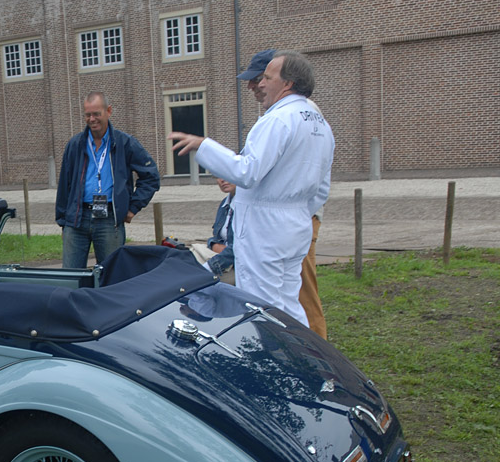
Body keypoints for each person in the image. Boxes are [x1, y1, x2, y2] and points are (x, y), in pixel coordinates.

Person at [169, 51, 334, 326]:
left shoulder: (277, 120)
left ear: (288, 83)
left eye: (267, 78)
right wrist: (302, 214)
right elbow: (321, 186)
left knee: (262, 306)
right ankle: (301, 357)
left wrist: (203, 145)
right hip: (296, 224)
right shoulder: (319, 124)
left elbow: (247, 172)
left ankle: (272, 362)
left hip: (267, 228)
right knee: (289, 303)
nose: (260, 84)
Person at [237, 49, 328, 337]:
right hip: (295, 216)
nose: (253, 86)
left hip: (291, 218)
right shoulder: (303, 117)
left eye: (260, 78)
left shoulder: (288, 117)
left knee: (299, 293)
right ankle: (306, 350)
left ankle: (317, 348)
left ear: (285, 82)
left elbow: (251, 172)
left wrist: (305, 213)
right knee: (290, 295)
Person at [55, 91, 160, 268]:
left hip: (109, 220)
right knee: (71, 278)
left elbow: (150, 176)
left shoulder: (125, 143)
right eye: (88, 114)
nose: (92, 119)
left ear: (108, 111)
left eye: (96, 114)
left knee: (110, 276)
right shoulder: (75, 145)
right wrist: (63, 222)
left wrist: (132, 207)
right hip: (77, 219)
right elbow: (65, 185)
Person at [190, 179, 236, 284]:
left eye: (227, 174)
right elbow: (217, 237)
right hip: (221, 258)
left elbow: (241, 248)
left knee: (192, 278)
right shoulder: (225, 204)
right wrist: (214, 244)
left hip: (235, 267)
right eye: (218, 176)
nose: (222, 180)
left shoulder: (248, 208)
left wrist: (211, 266)